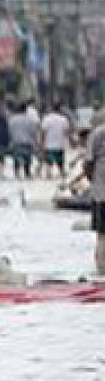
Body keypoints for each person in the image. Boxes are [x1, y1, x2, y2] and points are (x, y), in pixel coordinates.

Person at [87, 115, 105, 275]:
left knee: (102, 236)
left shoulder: (97, 134)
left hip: (101, 194)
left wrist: (92, 179)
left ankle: (101, 273)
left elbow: (88, 162)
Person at [8, 100, 39, 180]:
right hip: (27, 142)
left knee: (16, 158)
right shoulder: (30, 119)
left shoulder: (12, 119)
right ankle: (27, 172)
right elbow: (33, 131)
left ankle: (16, 173)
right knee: (27, 158)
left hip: (16, 142)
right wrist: (36, 142)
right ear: (25, 109)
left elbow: (10, 131)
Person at [40, 103, 72, 180]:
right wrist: (70, 141)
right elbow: (67, 132)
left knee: (49, 161)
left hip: (49, 144)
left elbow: (43, 132)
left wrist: (42, 143)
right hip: (60, 144)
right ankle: (62, 172)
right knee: (60, 160)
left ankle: (48, 174)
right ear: (60, 109)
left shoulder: (46, 119)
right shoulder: (63, 119)